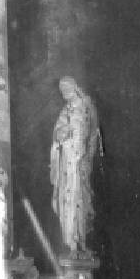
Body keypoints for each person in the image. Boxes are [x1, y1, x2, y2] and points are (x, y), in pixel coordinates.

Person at [50, 76, 101, 255]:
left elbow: (93, 134)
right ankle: (72, 243)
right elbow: (57, 134)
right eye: (62, 91)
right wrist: (62, 133)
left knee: (82, 200)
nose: (64, 94)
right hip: (67, 164)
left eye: (66, 90)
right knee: (69, 201)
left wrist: (88, 157)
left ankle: (82, 242)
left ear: (73, 88)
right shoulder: (66, 111)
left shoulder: (87, 107)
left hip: (81, 162)